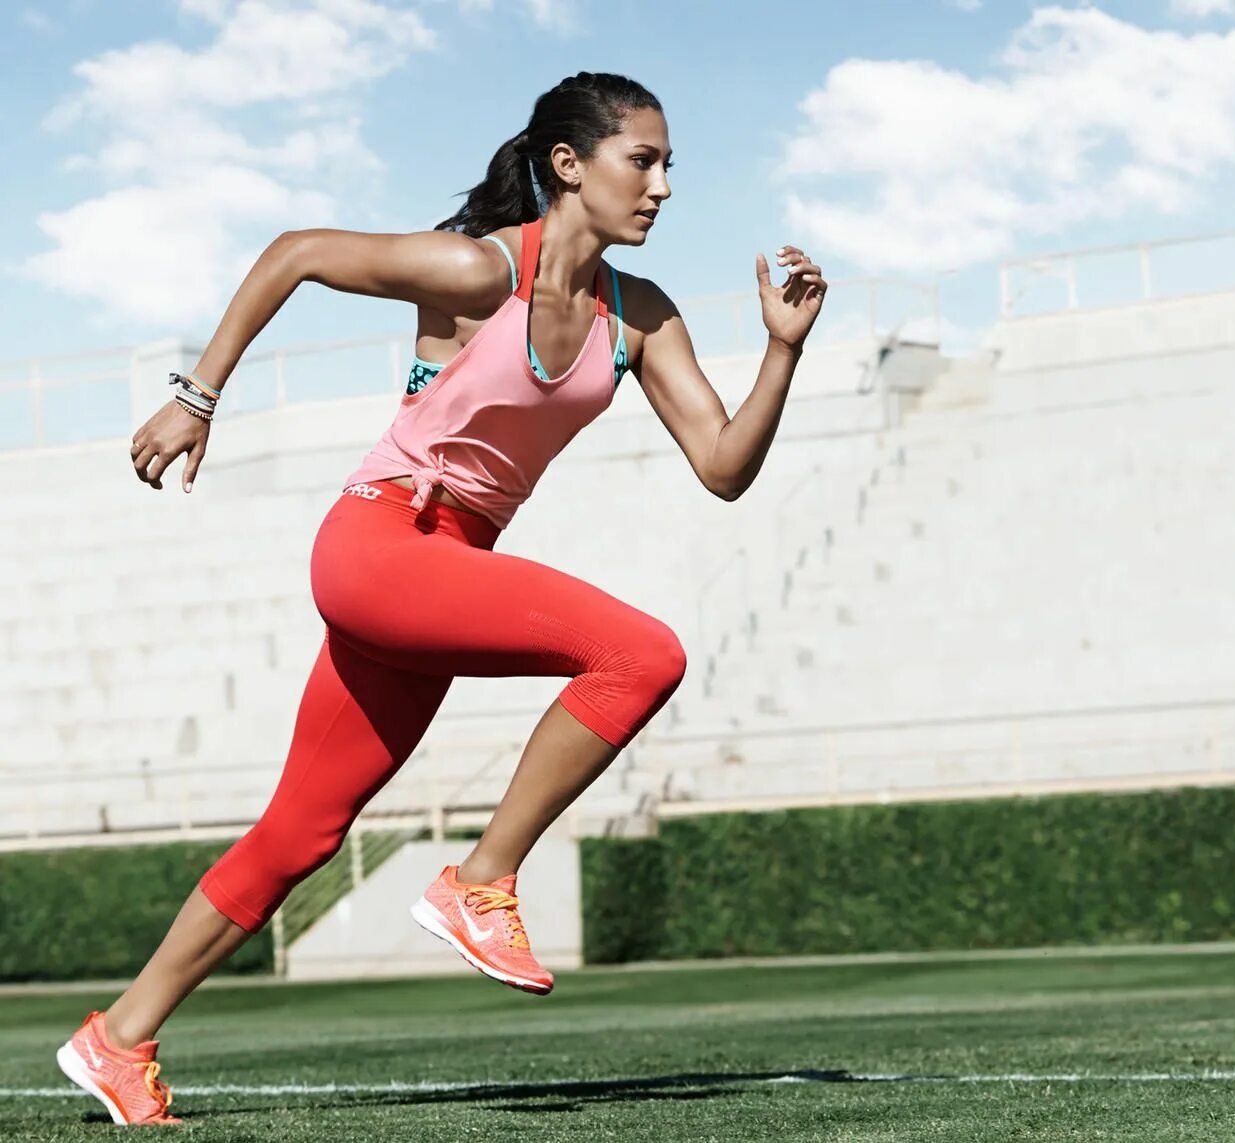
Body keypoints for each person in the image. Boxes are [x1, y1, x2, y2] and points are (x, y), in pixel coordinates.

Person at [54, 71, 826, 1127]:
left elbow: (724, 464)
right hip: (380, 542)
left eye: (667, 166)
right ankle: (480, 881)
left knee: (301, 835)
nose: (661, 187)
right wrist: (197, 397)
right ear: (569, 165)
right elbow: (295, 253)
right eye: (641, 160)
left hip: (445, 565)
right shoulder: (474, 269)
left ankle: (119, 1038)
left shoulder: (637, 317)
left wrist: (781, 352)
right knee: (640, 654)